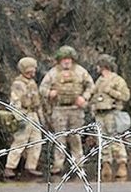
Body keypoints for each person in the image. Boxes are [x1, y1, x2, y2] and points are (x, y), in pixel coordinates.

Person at [39, 45, 94, 174]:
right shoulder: (53, 73)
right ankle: (58, 164)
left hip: (76, 109)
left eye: (69, 59)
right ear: (59, 60)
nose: (66, 61)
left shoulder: (80, 71)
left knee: (76, 137)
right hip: (59, 109)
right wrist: (49, 93)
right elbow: (42, 88)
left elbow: (91, 86)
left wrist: (84, 97)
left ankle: (78, 163)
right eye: (64, 59)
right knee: (60, 137)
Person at [90, 53, 131, 180]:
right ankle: (106, 164)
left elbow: (125, 96)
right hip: (100, 114)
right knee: (102, 141)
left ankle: (122, 164)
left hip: (112, 113)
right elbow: (94, 95)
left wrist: (111, 91)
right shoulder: (99, 81)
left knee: (115, 139)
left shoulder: (117, 80)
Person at [4, 57, 44, 178]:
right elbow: (15, 102)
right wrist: (19, 117)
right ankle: (10, 167)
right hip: (24, 114)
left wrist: (41, 118)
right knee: (20, 142)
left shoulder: (32, 83)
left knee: (36, 141)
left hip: (33, 114)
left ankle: (31, 166)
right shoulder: (18, 84)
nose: (32, 72)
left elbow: (37, 102)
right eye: (30, 70)